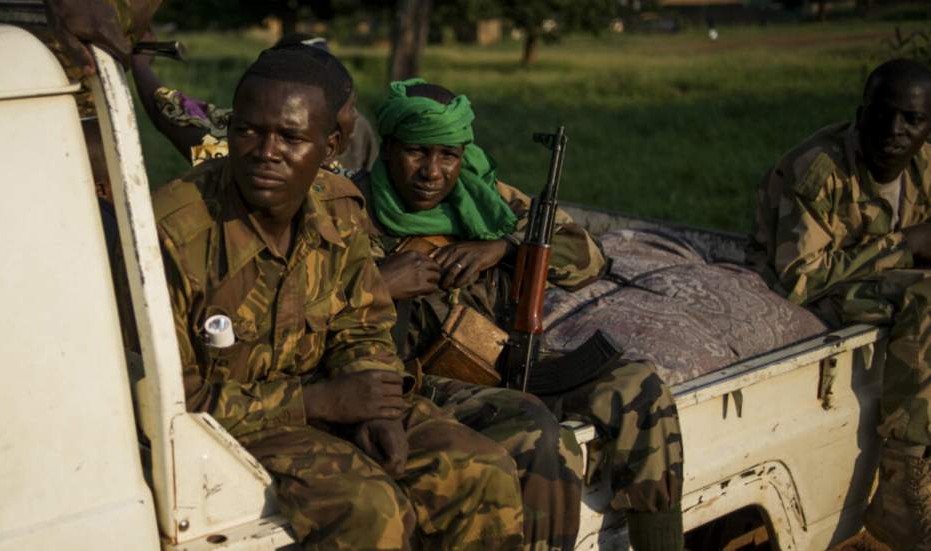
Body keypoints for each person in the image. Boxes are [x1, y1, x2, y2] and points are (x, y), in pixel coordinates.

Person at [153, 48, 525, 550]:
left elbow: (363, 321)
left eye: (290, 137)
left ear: (330, 146)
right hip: (237, 423)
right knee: (372, 512)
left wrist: (376, 403)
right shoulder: (175, 233)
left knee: (483, 471)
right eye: (246, 131)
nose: (266, 151)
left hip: (338, 396)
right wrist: (317, 401)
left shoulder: (339, 207)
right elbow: (173, 403)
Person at [355, 79, 685, 551]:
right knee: (539, 435)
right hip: (421, 376)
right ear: (387, 150)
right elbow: (316, 298)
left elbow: (588, 259)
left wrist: (504, 246)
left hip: (505, 357)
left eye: (448, 156)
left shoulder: (486, 198)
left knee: (642, 388)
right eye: (416, 153)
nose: (432, 172)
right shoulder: (350, 210)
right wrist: (382, 281)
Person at [747, 58, 931, 550]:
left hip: (869, 284)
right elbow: (798, 279)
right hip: (803, 298)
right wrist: (905, 245)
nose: (895, 131)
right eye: (883, 114)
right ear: (860, 113)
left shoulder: (926, 164)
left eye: (911, 120)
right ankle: (899, 488)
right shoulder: (818, 170)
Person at [132, 32, 378, 173]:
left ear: (331, 147)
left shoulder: (356, 134)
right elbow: (173, 111)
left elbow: (172, 114)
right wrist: (140, 64)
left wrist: (140, 64)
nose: (269, 151)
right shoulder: (242, 143)